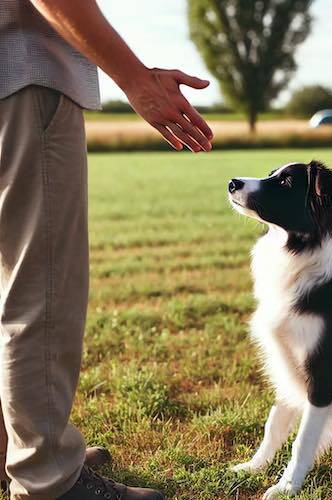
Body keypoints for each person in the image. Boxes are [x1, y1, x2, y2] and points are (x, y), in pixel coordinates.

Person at [0, 0, 214, 498]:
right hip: (24, 79)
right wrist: (136, 80)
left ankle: (19, 449)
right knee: (40, 286)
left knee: (9, 282)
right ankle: (46, 475)